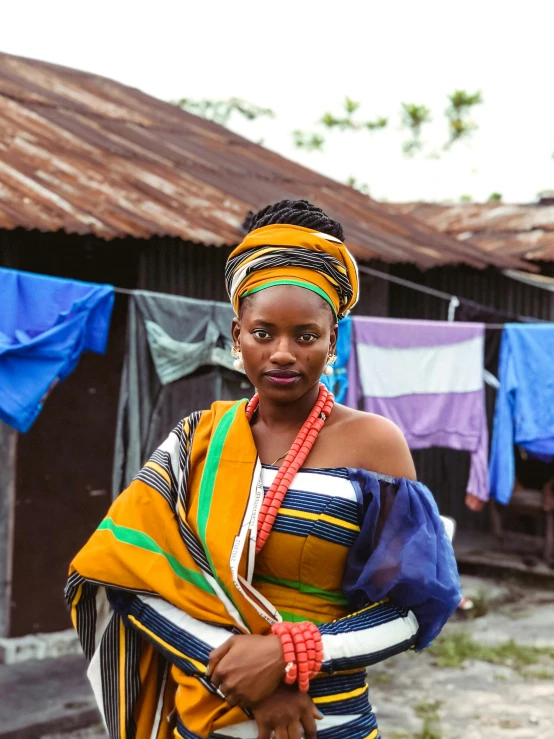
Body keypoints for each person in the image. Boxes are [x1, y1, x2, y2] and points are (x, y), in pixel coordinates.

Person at [66, 200, 461, 739]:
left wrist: (293, 655)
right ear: (236, 336)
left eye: (305, 336)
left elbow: (415, 607)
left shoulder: (374, 444)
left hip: (329, 723)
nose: (283, 353)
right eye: (263, 333)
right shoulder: (194, 441)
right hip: (205, 718)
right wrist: (254, 677)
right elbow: (125, 580)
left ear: (332, 342)